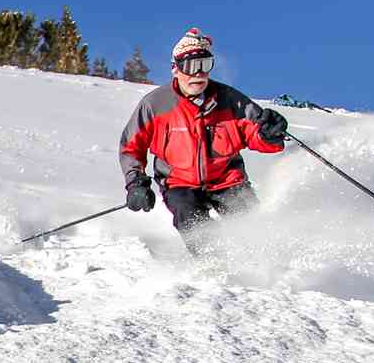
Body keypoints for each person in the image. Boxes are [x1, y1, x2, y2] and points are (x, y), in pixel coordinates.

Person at [118, 28, 289, 253]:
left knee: (253, 227)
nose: (198, 73)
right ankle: (214, 266)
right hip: (179, 184)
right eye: (191, 66)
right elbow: (131, 147)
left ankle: (267, 263)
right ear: (175, 68)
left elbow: (258, 135)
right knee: (193, 223)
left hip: (227, 181)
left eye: (205, 64)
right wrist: (136, 183)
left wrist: (269, 134)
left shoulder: (231, 101)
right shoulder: (155, 104)